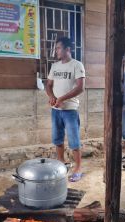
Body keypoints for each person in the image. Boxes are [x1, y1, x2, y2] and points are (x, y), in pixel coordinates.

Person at [46, 37, 85, 182]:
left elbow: (80, 88)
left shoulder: (77, 65)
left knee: (74, 141)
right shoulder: (55, 66)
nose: (56, 51)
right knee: (57, 138)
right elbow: (48, 85)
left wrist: (62, 98)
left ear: (67, 49)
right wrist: (51, 97)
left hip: (70, 110)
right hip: (55, 110)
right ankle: (62, 162)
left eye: (58, 48)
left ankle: (78, 168)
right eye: (56, 48)